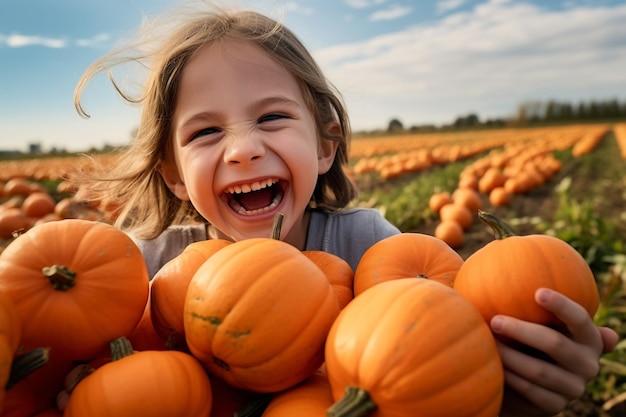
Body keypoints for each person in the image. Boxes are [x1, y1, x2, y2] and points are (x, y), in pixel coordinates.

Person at [71, 2, 618, 416]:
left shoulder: (373, 249)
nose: (243, 149)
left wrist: (515, 389)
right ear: (174, 175)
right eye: (207, 131)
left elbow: (438, 365)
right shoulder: (148, 272)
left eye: (272, 118)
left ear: (324, 147)